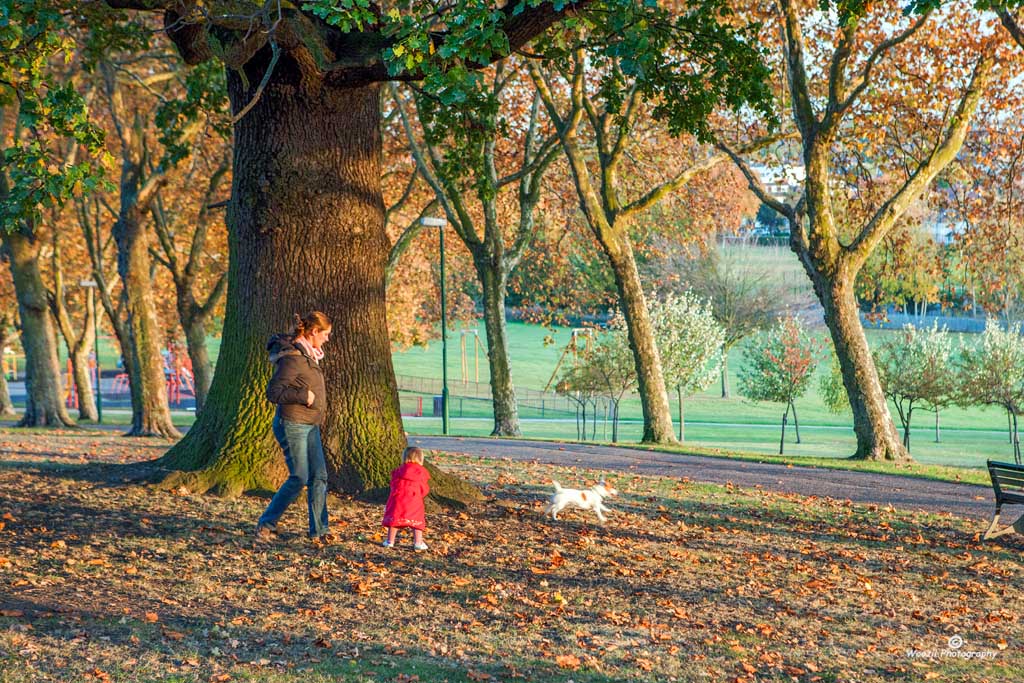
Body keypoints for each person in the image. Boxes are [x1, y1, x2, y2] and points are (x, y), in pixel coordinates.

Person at [256, 311, 333, 545]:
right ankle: (266, 524)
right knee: (299, 477)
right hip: (292, 424)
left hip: (310, 425)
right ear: (313, 332)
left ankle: (319, 530)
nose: (328, 339)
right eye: (325, 334)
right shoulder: (293, 359)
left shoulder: (309, 357)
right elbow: (274, 392)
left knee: (319, 476)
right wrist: (304, 395)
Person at [381, 447, 430, 551]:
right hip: (414, 500)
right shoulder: (421, 472)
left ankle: (390, 541)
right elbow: (424, 488)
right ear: (420, 459)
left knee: (394, 519)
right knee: (417, 521)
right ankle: (418, 542)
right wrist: (420, 495)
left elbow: (393, 484)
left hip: (398, 499)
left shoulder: (399, 471)